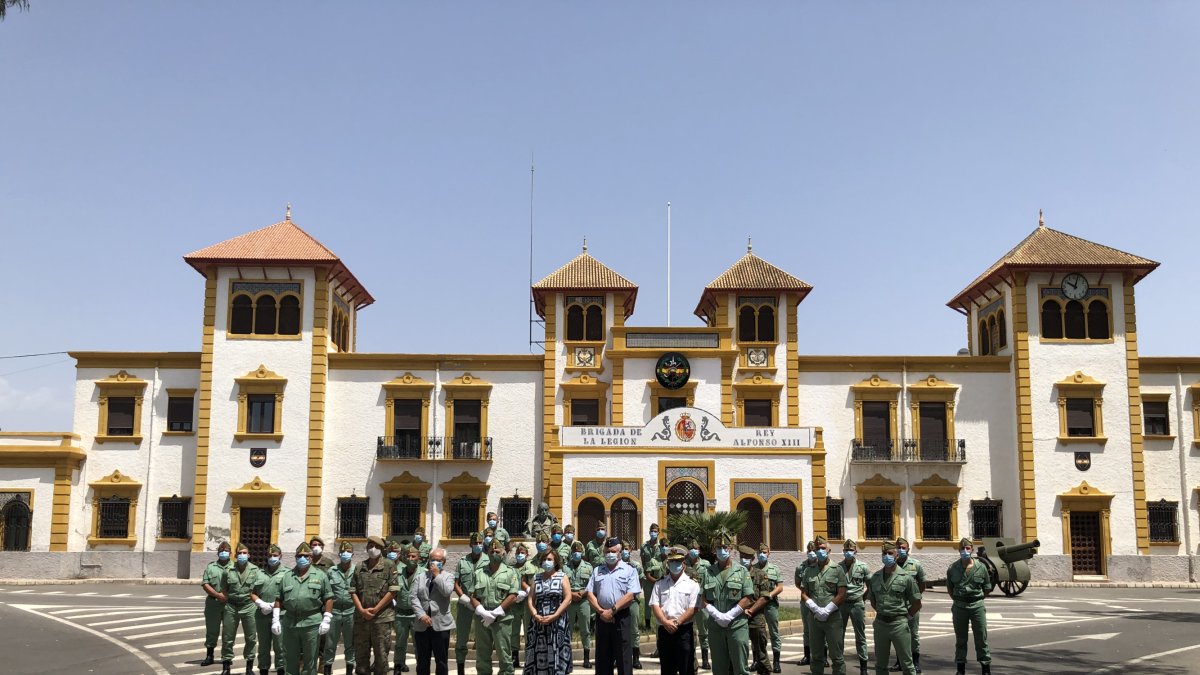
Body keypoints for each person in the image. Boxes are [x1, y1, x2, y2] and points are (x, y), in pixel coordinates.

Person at [272, 542, 335, 675]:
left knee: (310, 658)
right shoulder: (287, 576)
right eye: (299, 555)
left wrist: (327, 619)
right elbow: (279, 598)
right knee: (290, 657)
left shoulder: (320, 575)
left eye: (306, 556)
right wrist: (275, 619)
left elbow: (328, 598)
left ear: (311, 558)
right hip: (290, 623)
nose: (302, 558)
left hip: (311, 622)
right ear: (295, 557)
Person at [698, 533, 753, 675]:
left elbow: (748, 597)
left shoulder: (741, 571)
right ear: (714, 550)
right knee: (719, 668)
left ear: (730, 549)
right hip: (716, 627)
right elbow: (702, 598)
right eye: (718, 547)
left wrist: (730, 615)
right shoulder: (708, 572)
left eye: (725, 547)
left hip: (737, 626)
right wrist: (716, 614)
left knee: (740, 668)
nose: (722, 550)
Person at [586, 537, 640, 675]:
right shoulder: (597, 570)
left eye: (614, 551)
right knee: (603, 657)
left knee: (624, 657)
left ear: (620, 552)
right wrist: (601, 611)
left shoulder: (629, 570)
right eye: (608, 551)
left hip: (621, 617)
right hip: (602, 617)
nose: (610, 554)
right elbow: (590, 593)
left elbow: (630, 595)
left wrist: (613, 610)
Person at [864, 542, 920, 675]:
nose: (887, 556)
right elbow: (872, 599)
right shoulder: (876, 577)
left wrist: (906, 617)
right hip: (881, 624)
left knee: (907, 663)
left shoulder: (906, 577)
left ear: (896, 556)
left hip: (899, 624)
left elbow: (917, 603)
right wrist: (883, 612)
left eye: (890, 554)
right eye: (884, 554)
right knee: (881, 664)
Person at [799, 536, 847, 675]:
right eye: (817, 549)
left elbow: (842, 593)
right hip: (814, 619)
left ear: (829, 550)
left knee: (836, 656)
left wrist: (827, 609)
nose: (820, 551)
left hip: (832, 618)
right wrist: (814, 608)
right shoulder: (809, 570)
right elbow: (804, 593)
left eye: (822, 548)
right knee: (816, 656)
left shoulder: (837, 569)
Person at [353, 535, 400, 675]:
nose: (372, 549)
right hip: (361, 619)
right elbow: (353, 590)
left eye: (376, 547)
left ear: (382, 549)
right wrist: (361, 610)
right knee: (361, 656)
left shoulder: (389, 565)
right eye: (370, 546)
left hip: (382, 619)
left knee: (381, 656)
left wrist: (376, 609)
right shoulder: (359, 567)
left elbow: (393, 591)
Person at [650, 546, 700, 675]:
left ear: (683, 564)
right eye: (672, 562)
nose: (674, 565)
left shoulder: (692, 584)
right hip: (664, 630)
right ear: (667, 564)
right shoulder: (659, 584)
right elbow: (655, 605)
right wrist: (665, 622)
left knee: (686, 667)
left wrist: (677, 622)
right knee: (666, 669)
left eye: (677, 562)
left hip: (683, 631)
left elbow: (693, 608)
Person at [946, 538, 992, 675]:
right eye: (962, 549)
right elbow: (950, 587)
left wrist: (976, 598)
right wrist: (958, 599)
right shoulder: (953, 568)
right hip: (959, 606)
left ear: (972, 550)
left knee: (981, 638)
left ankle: (985, 668)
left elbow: (987, 587)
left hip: (977, 606)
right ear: (959, 550)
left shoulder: (981, 567)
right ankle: (960, 669)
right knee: (960, 639)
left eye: (967, 549)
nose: (965, 551)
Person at [473, 538, 520, 675]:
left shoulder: (511, 572)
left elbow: (513, 595)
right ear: (487, 553)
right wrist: (482, 611)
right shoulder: (479, 572)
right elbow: (473, 596)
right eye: (491, 551)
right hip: (482, 620)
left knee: (504, 656)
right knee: (482, 657)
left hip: (502, 620)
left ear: (503, 554)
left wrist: (495, 613)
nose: (494, 553)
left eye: (497, 551)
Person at [524, 547, 573, 675]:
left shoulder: (563, 577)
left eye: (550, 559)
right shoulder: (536, 578)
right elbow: (530, 599)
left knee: (557, 654)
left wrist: (555, 615)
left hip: (558, 623)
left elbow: (568, 598)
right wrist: (535, 615)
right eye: (545, 559)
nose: (547, 562)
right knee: (539, 656)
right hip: (538, 623)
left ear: (556, 561)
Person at [411, 548, 455, 675]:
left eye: (438, 560)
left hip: (441, 625)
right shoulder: (420, 577)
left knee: (441, 660)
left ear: (444, 562)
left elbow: (446, 592)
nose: (435, 562)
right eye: (433, 559)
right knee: (422, 660)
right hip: (422, 624)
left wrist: (437, 575)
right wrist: (421, 614)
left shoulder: (449, 577)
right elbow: (413, 597)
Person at [220, 542, 262, 675]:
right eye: (239, 553)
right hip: (231, 607)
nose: (242, 555)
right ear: (235, 556)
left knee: (251, 638)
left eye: (244, 553)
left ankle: (249, 667)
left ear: (249, 555)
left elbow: (258, 590)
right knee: (227, 637)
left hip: (249, 606)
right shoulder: (228, 571)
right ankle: (226, 667)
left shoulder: (256, 571)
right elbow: (224, 589)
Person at [889, 539, 926, 674]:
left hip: (912, 606)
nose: (900, 549)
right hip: (897, 606)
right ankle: (899, 662)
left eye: (903, 547)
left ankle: (915, 662)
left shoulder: (916, 565)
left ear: (908, 549)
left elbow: (922, 584)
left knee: (913, 634)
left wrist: (914, 597)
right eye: (898, 547)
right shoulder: (891, 565)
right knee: (898, 634)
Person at [253, 543, 289, 675]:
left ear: (280, 556)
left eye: (275, 555)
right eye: (270, 555)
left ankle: (281, 669)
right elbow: (252, 592)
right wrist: (260, 603)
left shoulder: (287, 573)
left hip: (281, 615)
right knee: (263, 646)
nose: (272, 557)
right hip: (262, 614)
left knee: (280, 645)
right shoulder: (259, 573)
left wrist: (276, 604)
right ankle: (263, 669)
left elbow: (290, 593)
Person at [454, 532, 486, 675]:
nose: (478, 546)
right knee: (461, 638)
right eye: (475, 543)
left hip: (481, 605)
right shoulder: (462, 561)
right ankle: (460, 668)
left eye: (480, 543)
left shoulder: (488, 560)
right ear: (470, 545)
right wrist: (462, 597)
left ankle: (483, 668)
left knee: (483, 639)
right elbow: (456, 582)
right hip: (465, 605)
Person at [325, 541, 358, 675]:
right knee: (330, 643)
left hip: (351, 611)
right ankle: (327, 668)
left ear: (353, 554)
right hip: (335, 611)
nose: (346, 554)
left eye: (348, 552)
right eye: (343, 552)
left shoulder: (357, 570)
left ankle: (349, 669)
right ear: (339, 554)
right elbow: (327, 592)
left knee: (350, 643)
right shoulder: (331, 571)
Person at [838, 541, 871, 675]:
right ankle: (839, 665)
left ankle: (863, 667)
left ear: (855, 552)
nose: (848, 552)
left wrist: (863, 598)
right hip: (842, 604)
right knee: (839, 636)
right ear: (843, 551)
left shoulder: (863, 567)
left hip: (857, 604)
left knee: (860, 636)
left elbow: (870, 585)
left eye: (851, 550)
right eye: (846, 550)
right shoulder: (838, 567)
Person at [739, 546, 772, 675]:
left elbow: (764, 597)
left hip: (756, 616)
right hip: (738, 615)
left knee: (760, 650)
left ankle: (764, 671)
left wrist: (751, 611)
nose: (744, 560)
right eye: (742, 557)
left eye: (747, 558)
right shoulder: (735, 573)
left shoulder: (760, 574)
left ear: (752, 559)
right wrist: (740, 611)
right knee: (738, 650)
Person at [201, 541, 233, 667]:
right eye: (221, 551)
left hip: (229, 603)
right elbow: (205, 583)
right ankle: (210, 655)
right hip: (213, 603)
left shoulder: (235, 567)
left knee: (228, 631)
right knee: (211, 630)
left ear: (230, 553)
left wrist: (227, 596)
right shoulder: (211, 567)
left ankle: (227, 656)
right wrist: (217, 595)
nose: (223, 553)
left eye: (226, 551)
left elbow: (239, 585)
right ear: (218, 553)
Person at [752, 545, 783, 673]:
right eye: (759, 552)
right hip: (757, 605)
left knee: (774, 633)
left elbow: (780, 587)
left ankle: (776, 662)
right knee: (756, 634)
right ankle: (756, 660)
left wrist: (769, 595)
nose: (761, 554)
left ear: (769, 553)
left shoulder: (774, 569)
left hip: (770, 604)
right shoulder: (753, 568)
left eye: (764, 552)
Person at [565, 540, 594, 668]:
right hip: (569, 601)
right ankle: (567, 658)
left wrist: (582, 594)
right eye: (574, 551)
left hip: (583, 601)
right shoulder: (565, 567)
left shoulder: (588, 567)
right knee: (567, 630)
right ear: (571, 553)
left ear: (582, 552)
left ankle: (586, 658)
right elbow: (562, 584)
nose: (576, 553)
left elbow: (592, 585)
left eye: (579, 551)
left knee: (585, 630)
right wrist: (571, 594)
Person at [684, 540, 712, 670]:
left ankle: (705, 659)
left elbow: (709, 582)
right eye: (691, 548)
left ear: (699, 550)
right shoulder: (684, 564)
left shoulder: (705, 565)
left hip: (701, 602)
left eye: (696, 548)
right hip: (688, 604)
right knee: (690, 631)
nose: (694, 550)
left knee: (703, 632)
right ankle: (692, 659)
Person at [509, 542, 537, 668]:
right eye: (518, 553)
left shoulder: (531, 566)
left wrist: (527, 592)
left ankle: (529, 656)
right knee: (513, 630)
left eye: (522, 553)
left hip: (528, 602)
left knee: (528, 629)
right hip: (514, 602)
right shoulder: (510, 568)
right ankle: (514, 656)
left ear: (527, 554)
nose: (520, 555)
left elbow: (534, 583)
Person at [395, 544, 421, 674]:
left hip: (417, 615)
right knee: (400, 643)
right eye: (408, 556)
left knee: (419, 644)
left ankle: (420, 667)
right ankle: (398, 665)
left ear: (418, 558)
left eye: (413, 556)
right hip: (400, 613)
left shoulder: (424, 573)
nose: (410, 558)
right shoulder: (398, 572)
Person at [621, 539, 645, 669]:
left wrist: (635, 593)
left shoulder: (636, 565)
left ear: (630, 550)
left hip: (633, 601)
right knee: (619, 629)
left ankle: (635, 658)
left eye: (626, 549)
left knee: (634, 629)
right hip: (620, 602)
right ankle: (619, 657)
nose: (624, 551)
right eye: (622, 549)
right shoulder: (617, 565)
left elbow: (641, 580)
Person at [794, 541, 817, 667]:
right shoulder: (801, 567)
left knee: (820, 628)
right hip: (805, 602)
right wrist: (805, 592)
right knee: (807, 630)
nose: (811, 553)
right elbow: (797, 582)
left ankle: (823, 657)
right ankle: (807, 656)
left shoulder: (820, 566)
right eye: (809, 551)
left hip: (819, 601)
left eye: (813, 550)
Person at [639, 525, 661, 632]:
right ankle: (647, 625)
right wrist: (647, 573)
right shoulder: (644, 546)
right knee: (648, 602)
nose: (653, 533)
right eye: (651, 531)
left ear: (658, 533)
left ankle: (660, 622)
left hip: (660, 578)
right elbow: (643, 561)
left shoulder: (662, 546)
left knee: (661, 601)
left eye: (655, 531)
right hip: (648, 578)